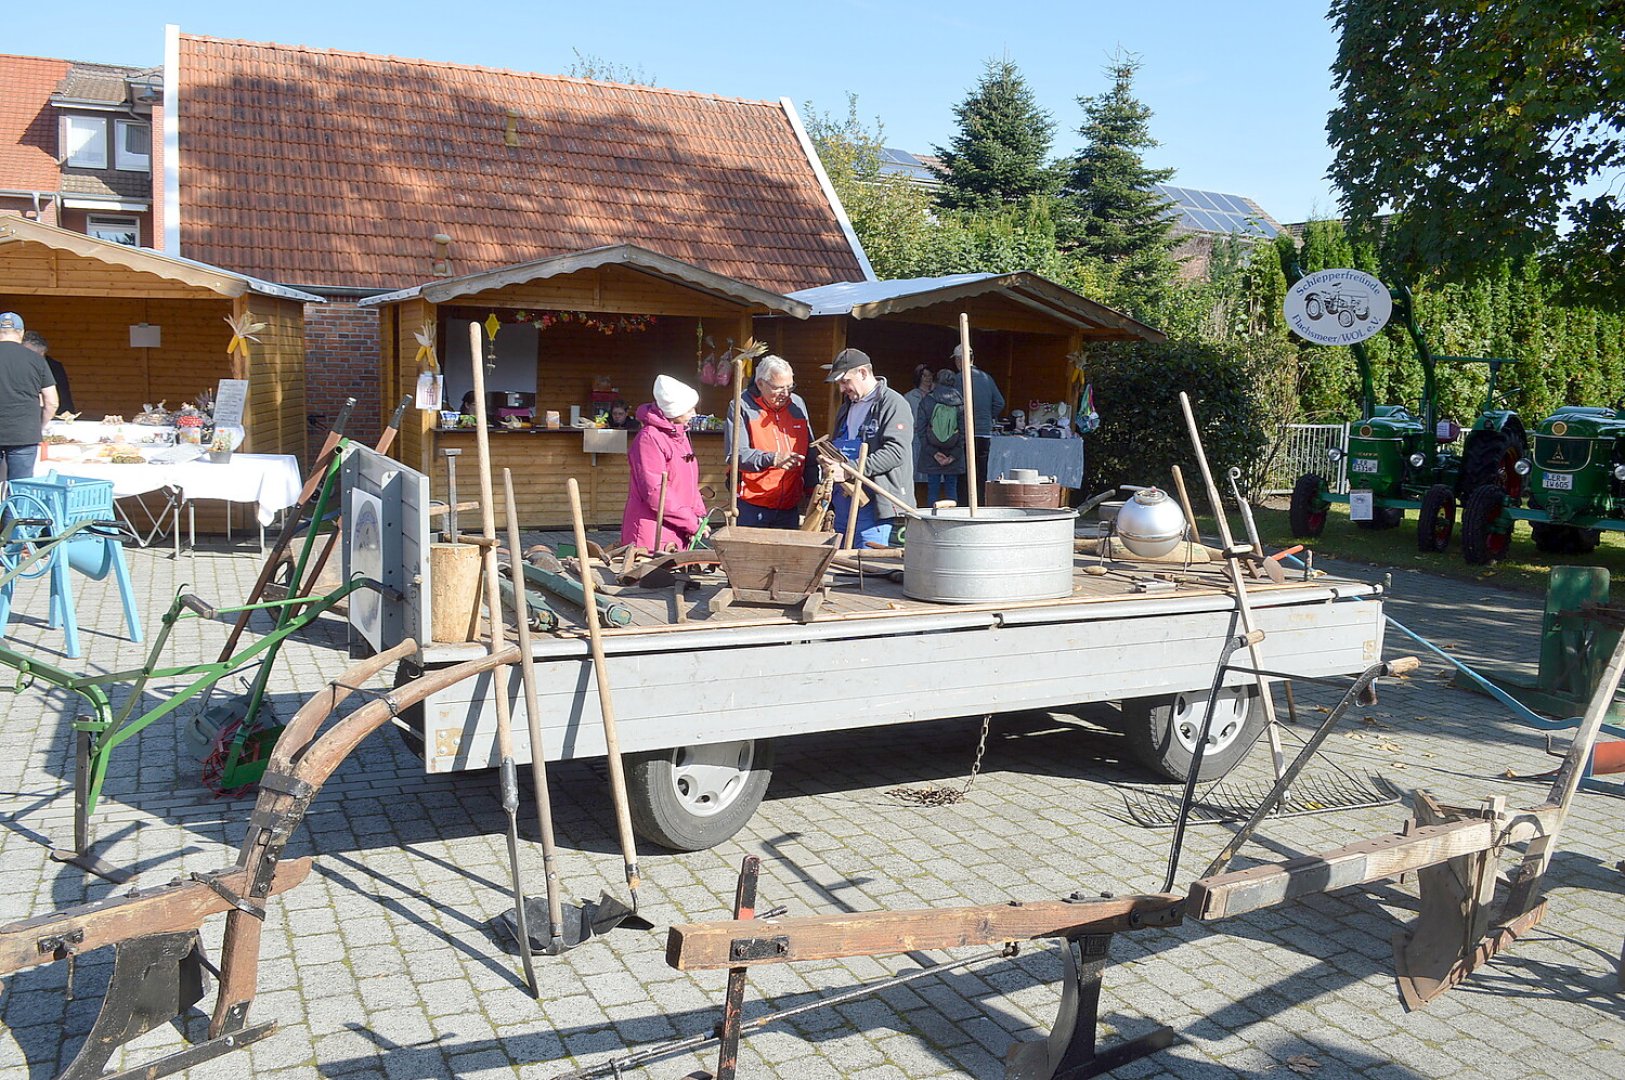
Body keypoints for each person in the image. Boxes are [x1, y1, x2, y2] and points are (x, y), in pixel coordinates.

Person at [823, 348, 914, 546]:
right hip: (844, 504)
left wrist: (849, 470)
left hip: (875, 507)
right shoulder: (846, 407)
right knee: (840, 568)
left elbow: (896, 452)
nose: (841, 388)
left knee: (869, 567)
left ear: (863, 373)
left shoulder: (893, 404)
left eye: (845, 381)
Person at [723, 355, 817, 529]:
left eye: (790, 387)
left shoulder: (797, 404)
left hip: (790, 506)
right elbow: (735, 455)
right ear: (760, 384)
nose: (786, 394)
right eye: (778, 388)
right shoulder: (741, 406)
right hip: (752, 503)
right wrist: (773, 459)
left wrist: (813, 492)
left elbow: (810, 454)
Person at [621, 374, 707, 551]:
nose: (694, 414)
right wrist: (691, 522)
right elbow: (656, 493)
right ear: (674, 411)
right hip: (652, 535)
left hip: (677, 529)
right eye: (689, 410)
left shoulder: (680, 435)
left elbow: (689, 483)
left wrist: (698, 515)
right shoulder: (649, 439)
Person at [0, 312, 57, 482]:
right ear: (21, 333)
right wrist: (39, 426)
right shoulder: (36, 359)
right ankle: (15, 509)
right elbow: (52, 402)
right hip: (24, 434)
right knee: (20, 489)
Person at [952, 343, 1004, 487]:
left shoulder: (957, 379)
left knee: (964, 474)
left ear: (959, 360)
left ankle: (964, 505)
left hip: (964, 433)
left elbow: (951, 406)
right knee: (981, 473)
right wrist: (987, 416)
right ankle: (980, 504)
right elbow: (1000, 402)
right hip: (984, 434)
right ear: (972, 358)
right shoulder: (987, 378)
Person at [915, 368, 966, 505]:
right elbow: (964, 434)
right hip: (953, 454)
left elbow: (920, 431)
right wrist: (953, 456)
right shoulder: (961, 403)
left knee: (932, 490)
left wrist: (934, 453)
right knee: (951, 489)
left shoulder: (927, 401)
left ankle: (931, 522)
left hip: (932, 454)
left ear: (936, 381)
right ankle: (953, 521)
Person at [21, 331, 73, 415]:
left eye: (41, 356)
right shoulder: (11, 366)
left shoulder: (54, 367)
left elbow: (63, 397)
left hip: (51, 417)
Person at [902, 364, 934, 493]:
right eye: (924, 376)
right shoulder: (909, 397)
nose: (928, 378)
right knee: (914, 471)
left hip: (933, 439)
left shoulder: (936, 395)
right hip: (915, 438)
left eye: (930, 375)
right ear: (918, 377)